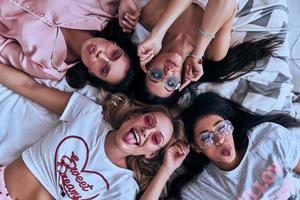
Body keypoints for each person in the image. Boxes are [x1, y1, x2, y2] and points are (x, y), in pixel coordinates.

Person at [0, 63, 189, 199]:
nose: (147, 131)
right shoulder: (89, 114)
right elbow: (29, 87)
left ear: (150, 154)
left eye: (156, 138)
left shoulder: (123, 185)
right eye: (149, 121)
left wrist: (165, 170)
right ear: (133, 116)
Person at [132, 0, 283, 104]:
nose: (168, 71)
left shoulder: (149, 19)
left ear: (147, 64)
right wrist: (197, 53)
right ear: (180, 82)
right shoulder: (214, 52)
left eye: (156, 74)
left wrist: (158, 33)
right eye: (171, 83)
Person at [169, 92, 300, 199]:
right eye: (206, 137)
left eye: (221, 128)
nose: (219, 140)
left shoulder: (267, 137)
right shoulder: (201, 188)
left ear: (230, 125)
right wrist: (166, 169)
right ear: (196, 147)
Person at [0, 0, 141, 93]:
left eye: (104, 69)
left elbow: (3, 47)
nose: (101, 56)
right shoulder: (102, 7)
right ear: (115, 43)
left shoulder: (50, 67)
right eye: (114, 54)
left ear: (93, 74)